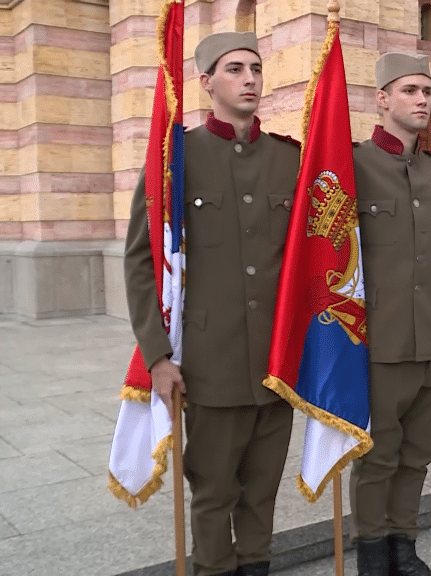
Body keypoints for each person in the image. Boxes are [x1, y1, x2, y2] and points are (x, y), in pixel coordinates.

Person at [124, 32, 298, 576]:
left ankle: (256, 567)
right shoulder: (176, 159)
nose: (250, 79)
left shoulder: (289, 159)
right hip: (209, 358)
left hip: (276, 360)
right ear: (205, 83)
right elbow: (142, 261)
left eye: (256, 69)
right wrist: (157, 356)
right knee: (213, 492)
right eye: (234, 69)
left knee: (262, 491)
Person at [348, 53, 431, 576]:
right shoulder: (354, 164)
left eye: (427, 91)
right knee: (378, 455)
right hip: (381, 339)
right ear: (381, 98)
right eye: (411, 90)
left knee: (418, 452)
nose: (422, 101)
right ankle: (373, 552)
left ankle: (404, 543)